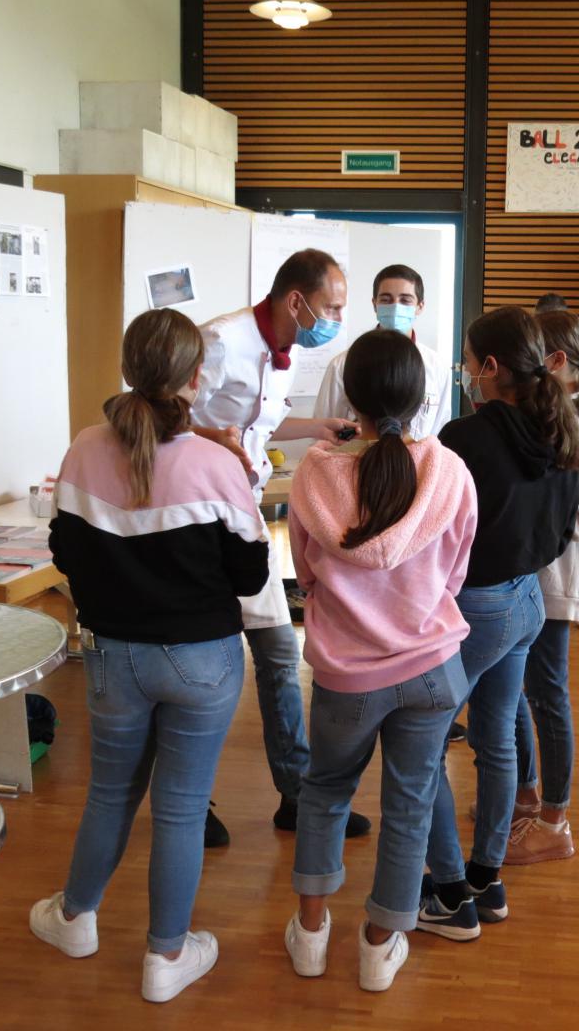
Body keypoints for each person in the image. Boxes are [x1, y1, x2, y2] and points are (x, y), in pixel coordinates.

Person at [31, 309, 270, 1003]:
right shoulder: (215, 463)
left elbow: (64, 552)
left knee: (110, 794)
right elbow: (252, 574)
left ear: (128, 368)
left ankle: (75, 918)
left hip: (113, 658)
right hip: (203, 661)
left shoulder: (83, 448)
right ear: (196, 380)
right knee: (181, 808)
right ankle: (166, 955)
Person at [283, 330, 477, 992]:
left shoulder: (315, 474)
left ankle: (311, 935)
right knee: (411, 804)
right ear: (421, 396)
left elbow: (305, 571)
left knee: (325, 792)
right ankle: (379, 946)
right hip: (432, 667)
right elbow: (456, 570)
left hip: (347, 674)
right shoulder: (448, 470)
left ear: (350, 397)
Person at [190, 248, 371, 845]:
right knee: (204, 670)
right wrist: (210, 439)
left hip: (243, 518)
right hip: (196, 521)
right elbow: (157, 415)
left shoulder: (285, 354)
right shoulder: (220, 340)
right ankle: (191, 802)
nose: (336, 319)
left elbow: (260, 425)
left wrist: (315, 428)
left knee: (275, 656)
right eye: (332, 308)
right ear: (297, 301)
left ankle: (296, 795)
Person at [417, 305, 579, 940]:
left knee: (423, 745)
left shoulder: (464, 437)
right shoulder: (560, 427)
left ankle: (449, 893)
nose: (465, 371)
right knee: (497, 740)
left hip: (476, 606)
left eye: (468, 360)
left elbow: (431, 529)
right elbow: (563, 530)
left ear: (489, 366)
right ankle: (485, 879)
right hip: (527, 599)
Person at [507, 310, 579, 864]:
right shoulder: (564, 419)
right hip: (540, 577)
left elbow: (574, 522)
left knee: (547, 696)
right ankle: (526, 795)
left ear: (555, 361)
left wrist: (510, 530)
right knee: (520, 691)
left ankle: (555, 820)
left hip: (555, 582)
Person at [311, 264, 451, 439]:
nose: (395, 307)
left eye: (405, 300)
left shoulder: (437, 366)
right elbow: (323, 432)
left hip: (419, 457)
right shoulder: (342, 365)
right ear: (374, 304)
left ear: (420, 306)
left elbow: (440, 431)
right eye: (386, 300)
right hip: (356, 456)